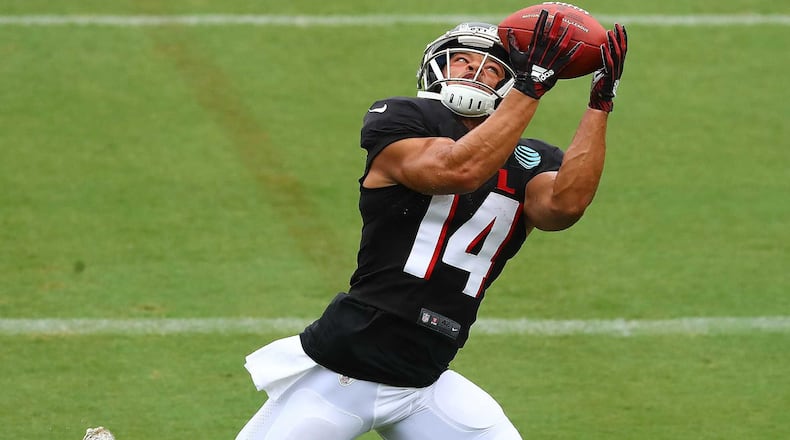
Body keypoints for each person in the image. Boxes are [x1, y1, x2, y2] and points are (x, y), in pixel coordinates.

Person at [235, 10, 627, 440]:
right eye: (463, 60)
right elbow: (454, 171)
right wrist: (530, 89)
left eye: (494, 68)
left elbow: (566, 206)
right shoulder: (401, 118)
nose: (475, 71)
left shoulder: (531, 157)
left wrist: (599, 103)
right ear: (436, 64)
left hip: (424, 378)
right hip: (345, 370)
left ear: (507, 83)